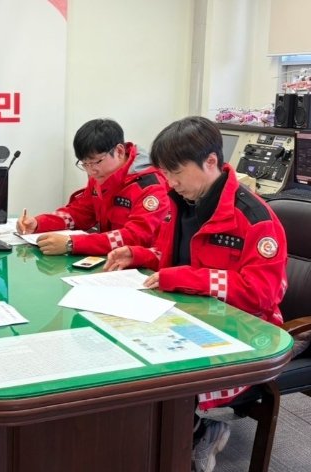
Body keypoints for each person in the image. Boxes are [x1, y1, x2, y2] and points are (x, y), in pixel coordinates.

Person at [103, 116, 288, 472]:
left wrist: (185, 278)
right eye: (165, 173)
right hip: (189, 314)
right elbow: (170, 259)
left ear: (211, 162)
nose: (170, 182)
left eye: (176, 172)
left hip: (246, 331)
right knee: (117, 354)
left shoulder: (254, 218)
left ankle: (191, 436)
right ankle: (161, 439)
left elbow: (260, 294)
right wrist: (137, 255)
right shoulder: (181, 203)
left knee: (159, 381)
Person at [16, 119, 169, 256]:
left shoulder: (151, 186)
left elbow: (136, 237)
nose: (90, 171)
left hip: (142, 267)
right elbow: (80, 213)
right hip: (111, 260)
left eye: (95, 162)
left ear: (119, 151)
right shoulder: (100, 177)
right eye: (85, 164)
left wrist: (72, 244)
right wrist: (39, 223)